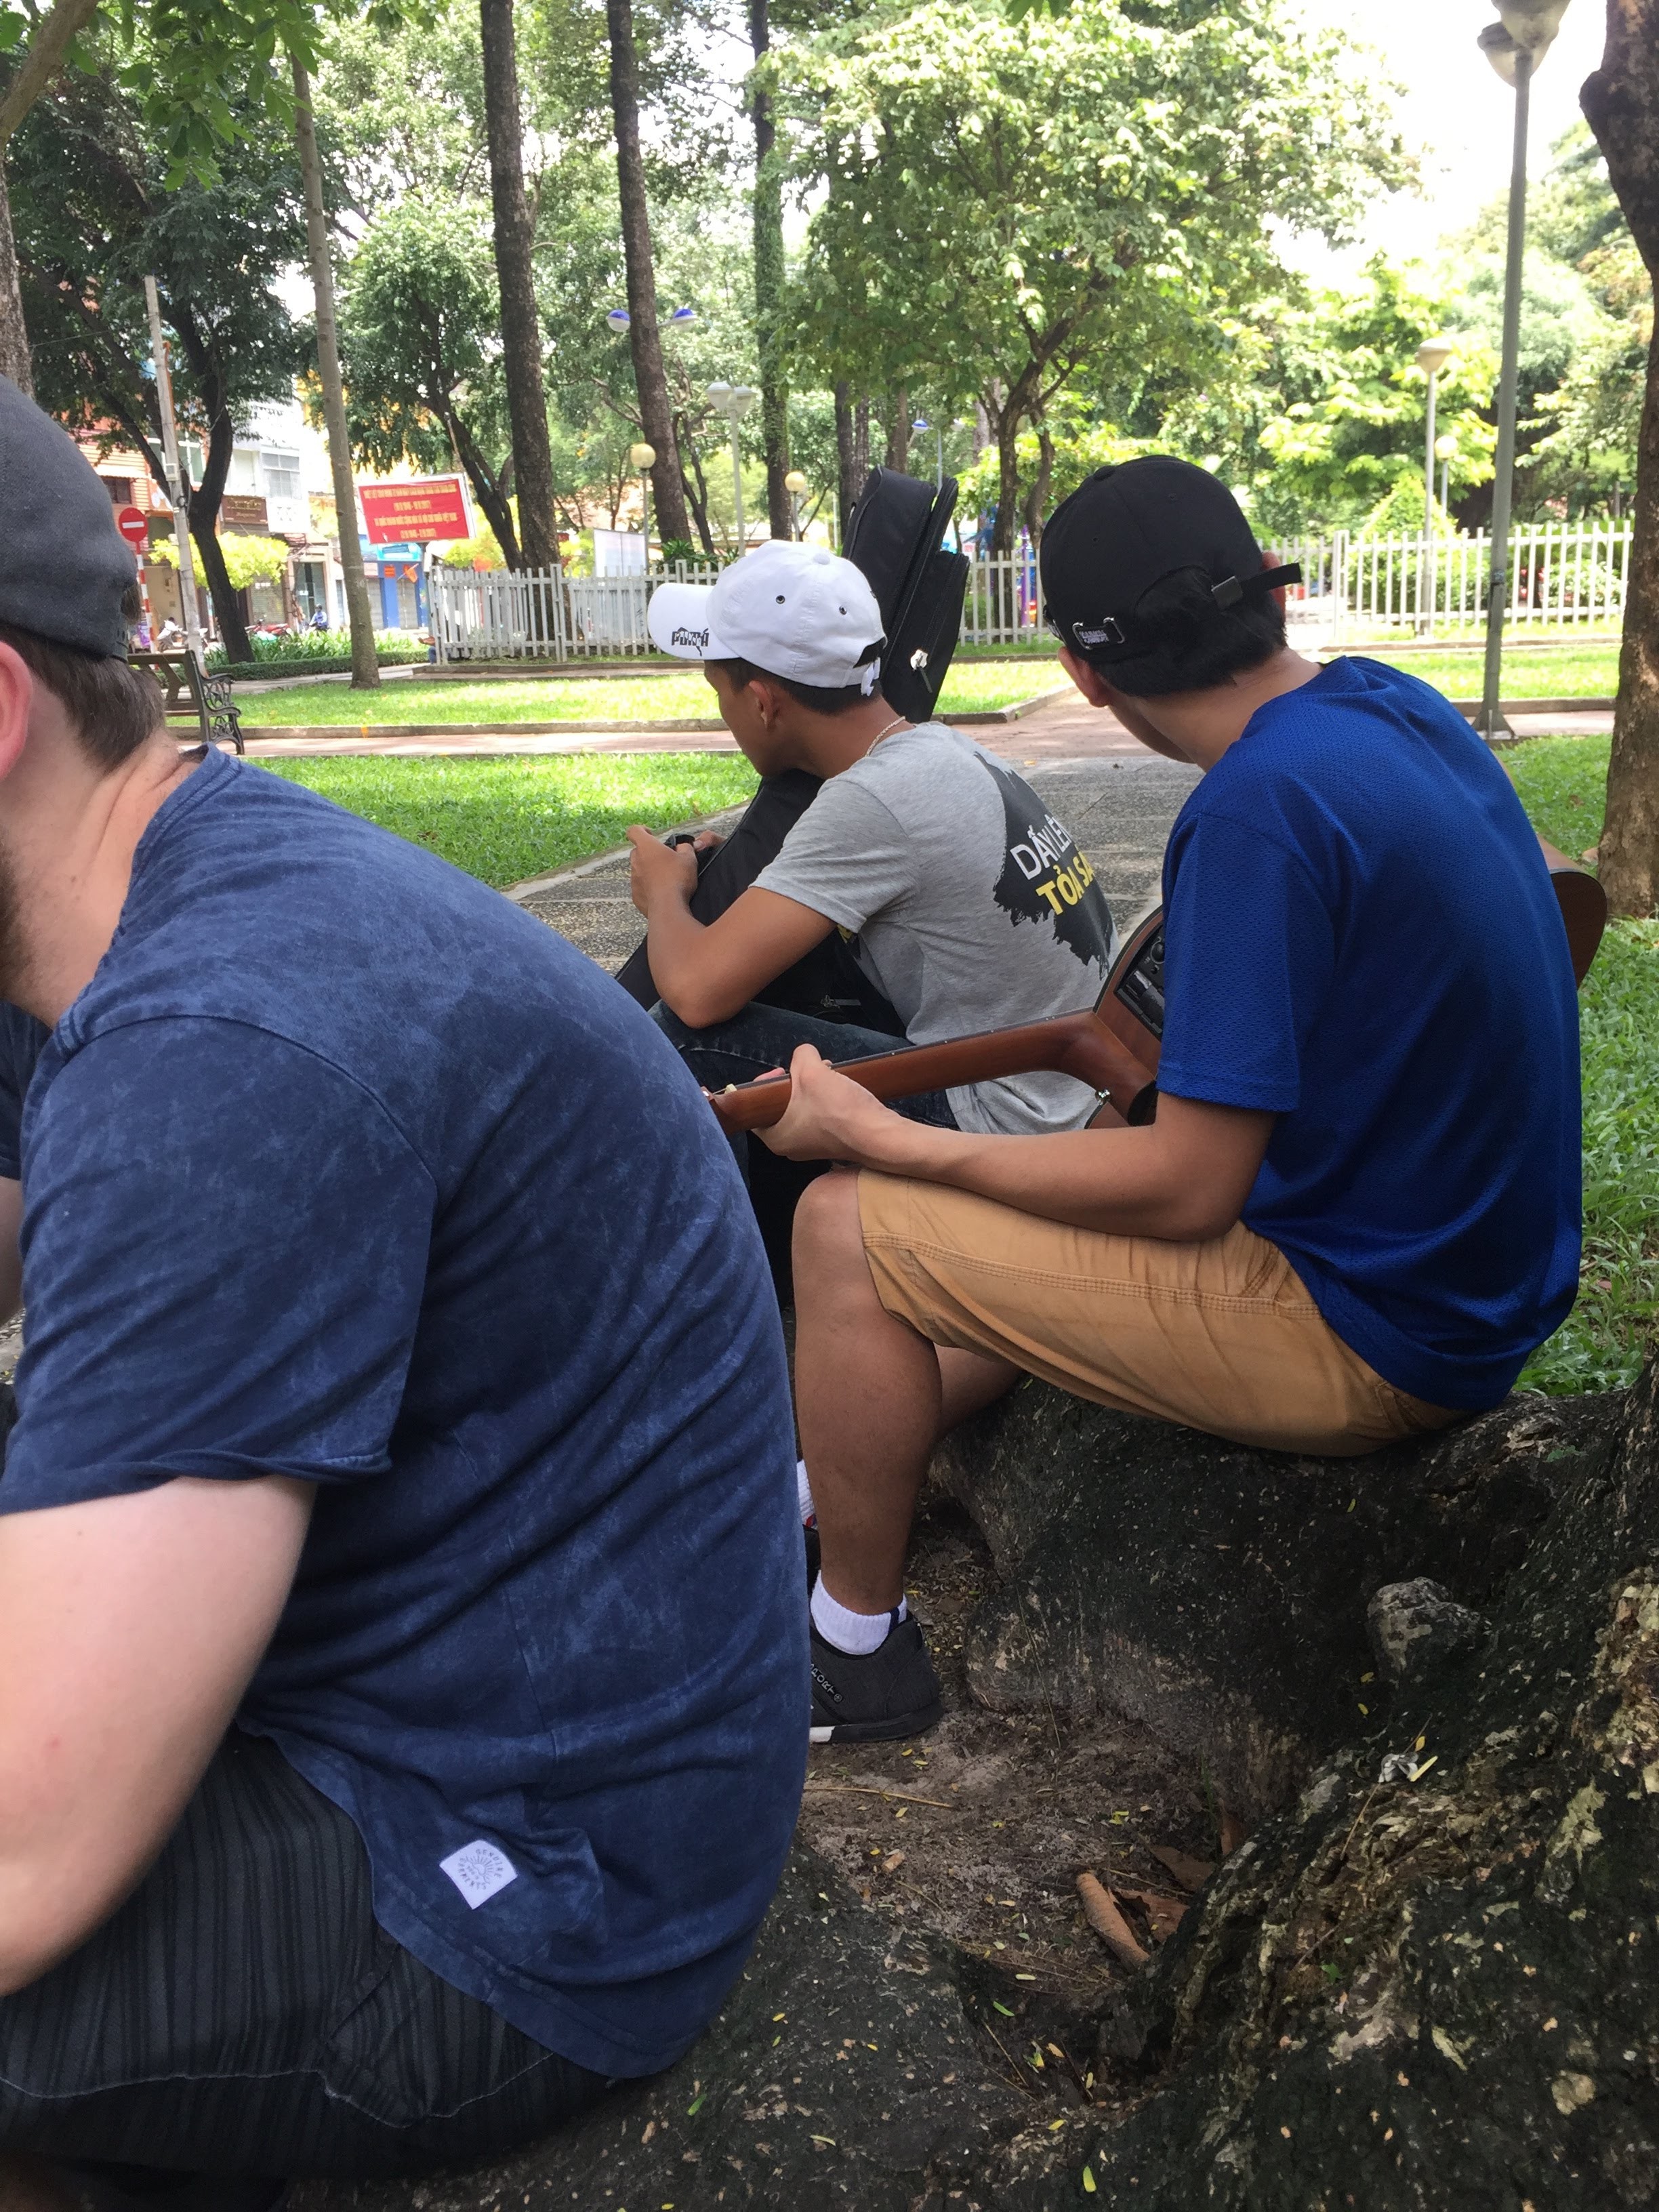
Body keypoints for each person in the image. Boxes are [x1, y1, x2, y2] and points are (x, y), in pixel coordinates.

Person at [0, 374, 806, 2212]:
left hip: (521, 1864)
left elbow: (21, 1870)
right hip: (382, 1665)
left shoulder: (223, 1045)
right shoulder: (121, 905)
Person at [760, 455, 1582, 1745]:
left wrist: (880, 1137)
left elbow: (1189, 1186)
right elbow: (1557, 909)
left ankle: (853, 1649)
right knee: (988, 1223)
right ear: (1267, 591)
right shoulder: (1394, 705)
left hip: (1377, 1328)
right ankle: (821, 1478)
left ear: (1084, 673)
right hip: (1480, 1282)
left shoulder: (1254, 809)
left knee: (842, 1226)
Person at [626, 541, 1120, 1279]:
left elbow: (697, 993)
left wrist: (662, 893)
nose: (725, 712)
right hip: (1076, 1088)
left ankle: (708, 1283)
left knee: (677, 1036)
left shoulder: (868, 801)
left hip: (1007, 1119)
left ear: (762, 701)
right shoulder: (941, 752)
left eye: (718, 692)